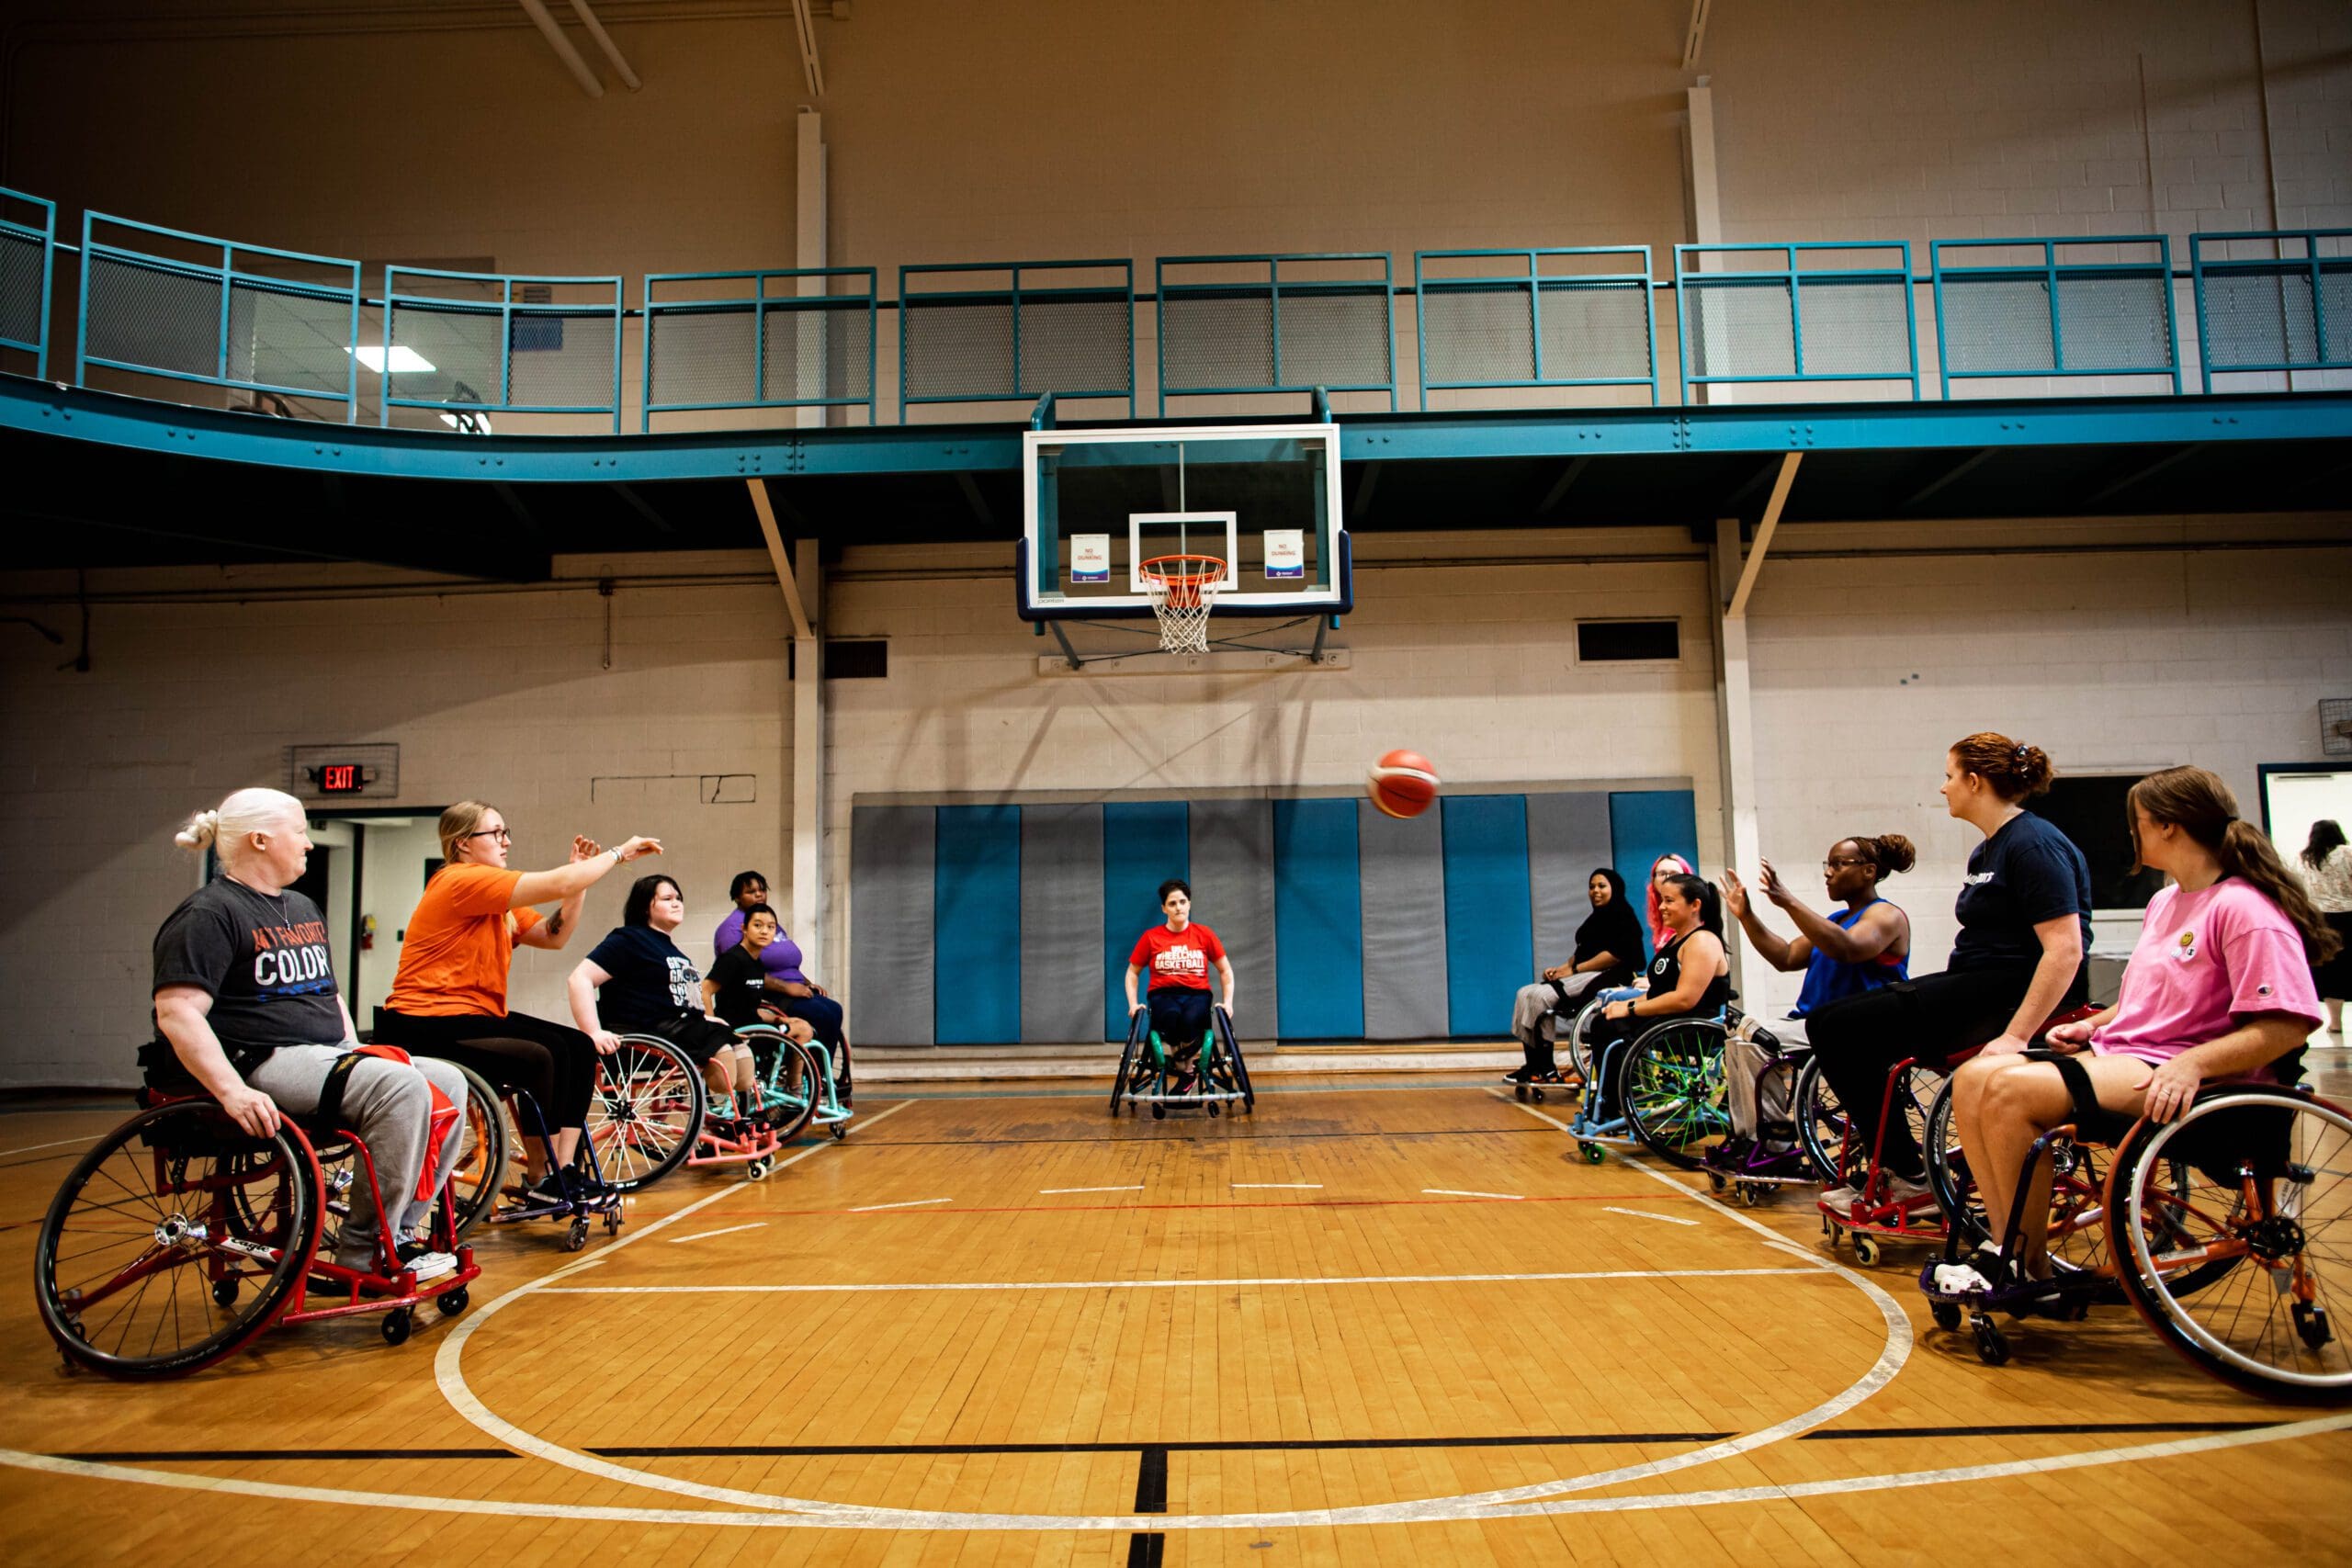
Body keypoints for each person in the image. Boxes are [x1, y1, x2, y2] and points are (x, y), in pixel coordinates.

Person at [1936, 766, 2334, 1295]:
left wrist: (2193, 1063)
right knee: (1972, 1079)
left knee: (2010, 1091)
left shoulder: (2243, 908)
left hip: (2194, 1073)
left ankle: (2026, 1261)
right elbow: (2150, 996)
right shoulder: (2165, 901)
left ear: (2167, 827)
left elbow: (2287, 1024)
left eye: (2138, 823)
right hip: (2127, 1052)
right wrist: (2097, 1023)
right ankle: (2007, 1244)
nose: (2132, 834)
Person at [148, 789, 467, 1279]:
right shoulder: (209, 915)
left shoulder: (300, 906)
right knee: (400, 1087)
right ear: (260, 839)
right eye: (299, 832)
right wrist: (231, 1090)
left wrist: (357, 1051)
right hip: (257, 1059)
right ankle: (365, 1250)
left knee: (447, 1081)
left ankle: (400, 1230)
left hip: (324, 1053)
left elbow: (327, 993)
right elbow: (177, 1012)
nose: (308, 844)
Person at [1804, 733, 2092, 1217]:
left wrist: (2016, 1035)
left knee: (1837, 1027)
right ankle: (1904, 1163)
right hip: (1976, 983)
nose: (1943, 788)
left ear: (1975, 782)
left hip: (2010, 994)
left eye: (1949, 776)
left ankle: (1908, 1173)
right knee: (1833, 1021)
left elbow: (2065, 952)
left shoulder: (2034, 845)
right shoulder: (1987, 852)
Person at [374, 800, 661, 1199]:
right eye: (495, 833)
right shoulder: (460, 880)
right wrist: (619, 854)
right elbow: (558, 883)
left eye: (506, 832)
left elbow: (553, 936)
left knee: (577, 1045)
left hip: (476, 1015)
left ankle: (564, 1167)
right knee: (538, 1056)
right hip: (425, 1020)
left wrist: (576, 884)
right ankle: (541, 1174)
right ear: (463, 844)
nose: (505, 841)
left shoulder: (496, 902)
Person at [571, 875, 772, 1131]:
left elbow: (675, 1000)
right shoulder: (628, 939)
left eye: (679, 898)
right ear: (646, 906)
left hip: (676, 1027)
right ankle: (717, 1119)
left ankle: (724, 1119)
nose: (677, 903)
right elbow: (580, 978)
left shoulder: (672, 949)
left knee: (743, 1064)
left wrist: (705, 1017)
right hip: (646, 1031)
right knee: (724, 1064)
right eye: (667, 899)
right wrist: (593, 1031)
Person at [1583, 872, 1731, 1119]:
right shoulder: (1677, 940)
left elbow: (1684, 999)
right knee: (1604, 1019)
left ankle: (1615, 1103)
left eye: (1669, 901)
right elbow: (1658, 993)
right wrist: (1625, 1003)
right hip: (1670, 1020)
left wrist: (1629, 1009)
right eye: (1662, 900)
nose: (1661, 907)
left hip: (1693, 1028)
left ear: (1695, 905)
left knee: (1612, 1027)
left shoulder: (1702, 942)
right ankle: (1610, 1101)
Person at [1721, 834, 1915, 1019]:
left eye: (1838, 864)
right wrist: (1746, 916)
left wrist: (1788, 901)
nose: (1827, 872)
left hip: (1856, 1028)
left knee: (1752, 1043)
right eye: (1828, 864)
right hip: (1815, 1024)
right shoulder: (1837, 920)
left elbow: (1848, 948)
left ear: (1868, 871)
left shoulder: (1887, 914)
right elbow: (1786, 957)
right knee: (1742, 1038)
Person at [713, 869, 853, 1107]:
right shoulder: (733, 929)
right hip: (767, 995)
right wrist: (788, 987)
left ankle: (817, 1074)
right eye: (750, 891)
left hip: (792, 987)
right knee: (818, 1015)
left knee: (833, 1009)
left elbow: (789, 960)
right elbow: (744, 972)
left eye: (761, 890)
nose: (758, 895)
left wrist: (806, 983)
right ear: (737, 897)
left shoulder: (768, 921)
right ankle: (810, 1077)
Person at [1505, 868, 1644, 1087]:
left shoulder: (1623, 916)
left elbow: (1614, 955)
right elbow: (1581, 952)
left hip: (1607, 975)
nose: (1595, 891)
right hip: (1583, 972)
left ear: (1614, 888)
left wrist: (1576, 969)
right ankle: (1535, 1064)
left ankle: (1546, 1066)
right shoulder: (1595, 919)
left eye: (1601, 886)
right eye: (1592, 887)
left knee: (1541, 997)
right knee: (1524, 993)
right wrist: (1560, 969)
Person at [1125, 878, 1238, 1091]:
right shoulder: (1151, 937)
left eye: (1183, 902)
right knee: (1170, 1016)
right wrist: (1133, 1003)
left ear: (1189, 904)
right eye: (1172, 903)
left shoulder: (1204, 934)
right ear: (1164, 908)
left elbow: (1226, 970)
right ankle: (1185, 1067)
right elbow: (1132, 972)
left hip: (1197, 994)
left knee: (1190, 1019)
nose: (1178, 907)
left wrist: (1228, 1002)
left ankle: (1186, 1071)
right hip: (1163, 994)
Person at [2300, 819, 2350, 1036]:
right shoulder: (2347, 853)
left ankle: (2335, 1023)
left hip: (2320, 918)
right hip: (2349, 914)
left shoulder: (2306, 858)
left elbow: (2301, 886)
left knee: (2329, 970)